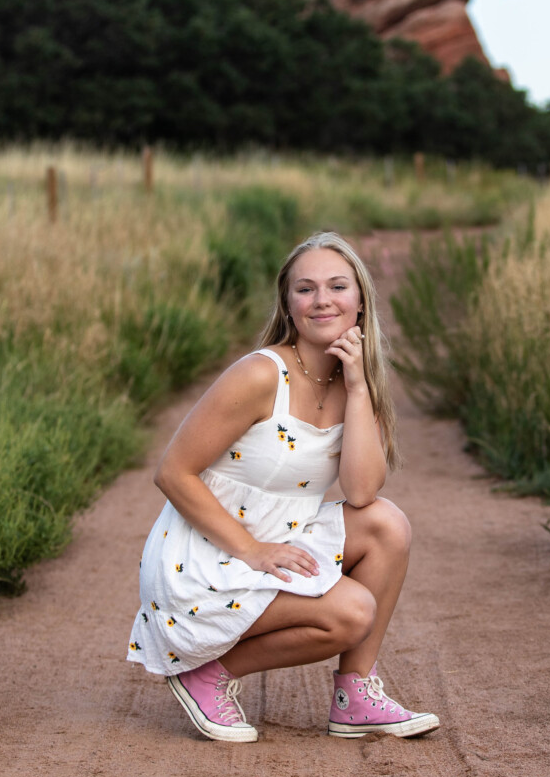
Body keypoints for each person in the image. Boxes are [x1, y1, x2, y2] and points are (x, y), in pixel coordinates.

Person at [127, 230, 439, 743]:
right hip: (207, 557)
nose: (322, 301)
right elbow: (173, 472)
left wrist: (359, 386)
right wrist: (251, 550)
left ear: (360, 301)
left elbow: (361, 492)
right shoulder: (259, 375)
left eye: (337, 287)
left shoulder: (358, 381)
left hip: (279, 541)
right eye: (306, 289)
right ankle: (205, 674)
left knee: (387, 524)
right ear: (288, 304)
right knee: (352, 610)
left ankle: (354, 695)